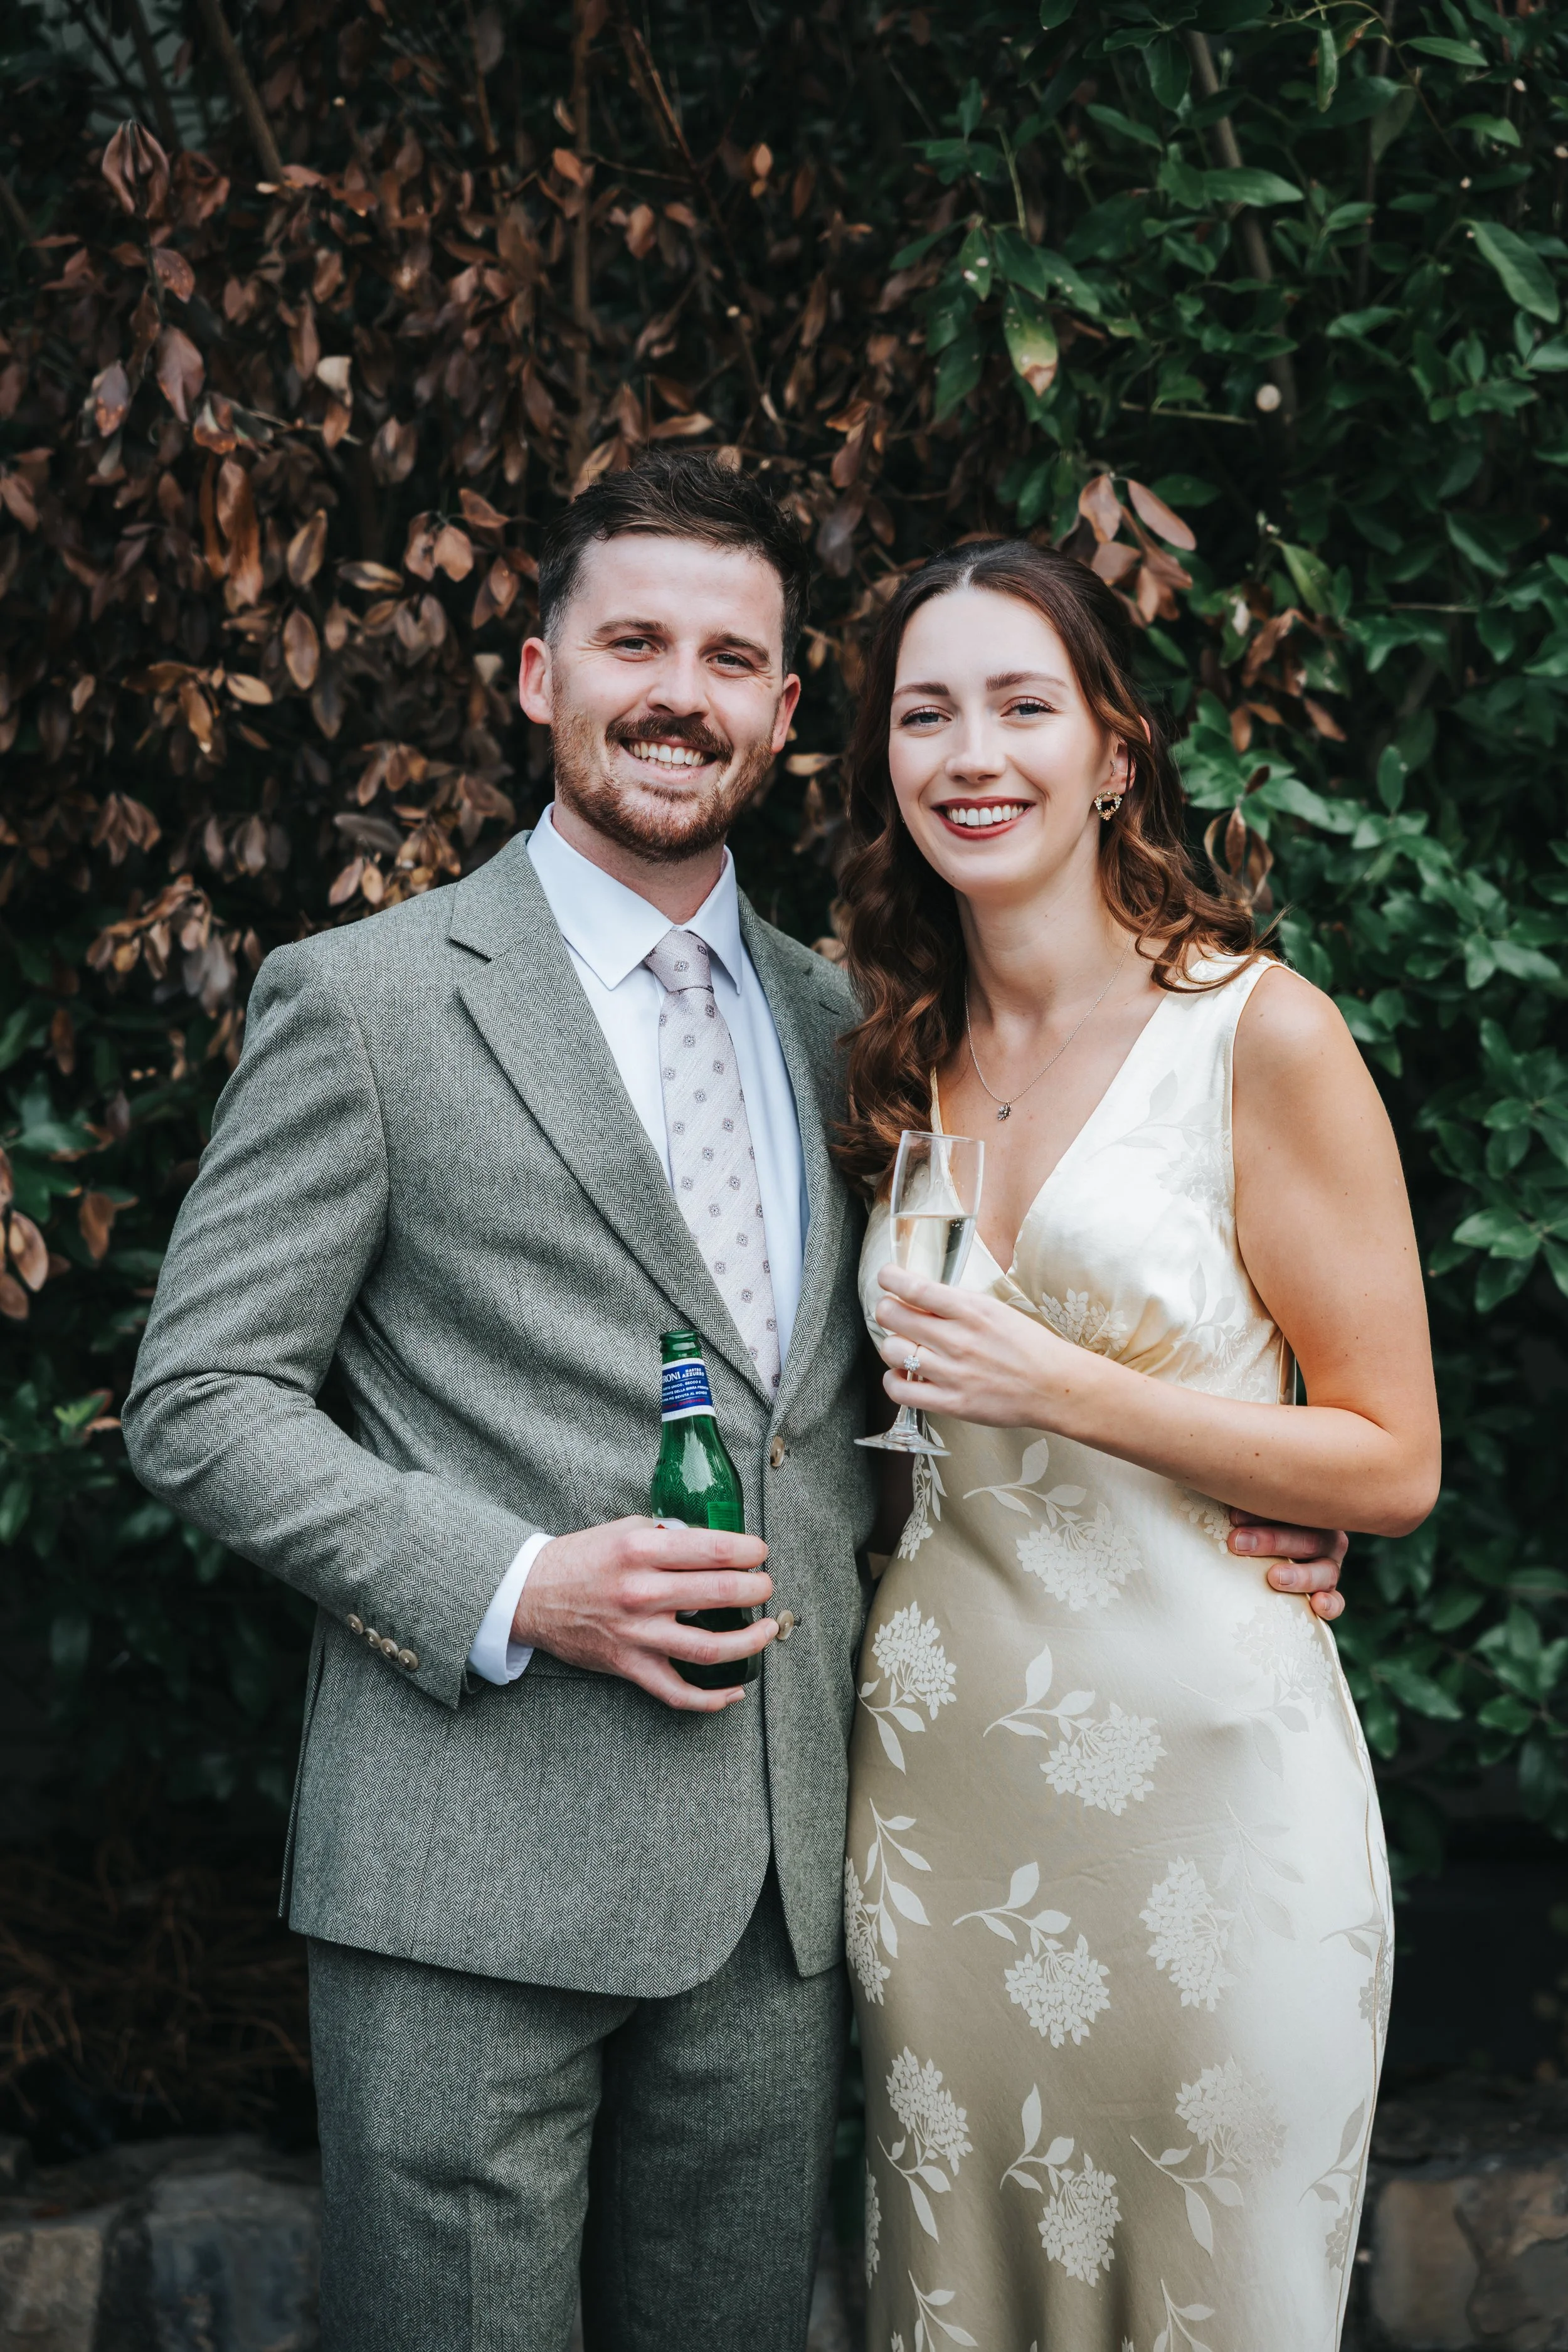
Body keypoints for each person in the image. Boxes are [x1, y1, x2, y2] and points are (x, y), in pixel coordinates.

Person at [121, 453, 1349, 2352]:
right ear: (540, 676)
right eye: (631, 643)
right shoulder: (364, 1001)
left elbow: (887, 1408)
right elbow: (199, 1397)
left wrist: (1235, 1498)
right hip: (468, 1879)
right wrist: (519, 1582)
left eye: (730, 657)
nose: (676, 692)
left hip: (785, 1891)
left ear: (785, 716)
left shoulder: (849, 1024)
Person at [836, 539, 1440, 2351]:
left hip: (1214, 1814)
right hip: (937, 1816)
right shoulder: (888, 1056)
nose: (973, 751)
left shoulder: (1255, 1035)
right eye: (925, 711)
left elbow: (1391, 1459)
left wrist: (1067, 1388)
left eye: (1024, 705)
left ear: (1113, 751)